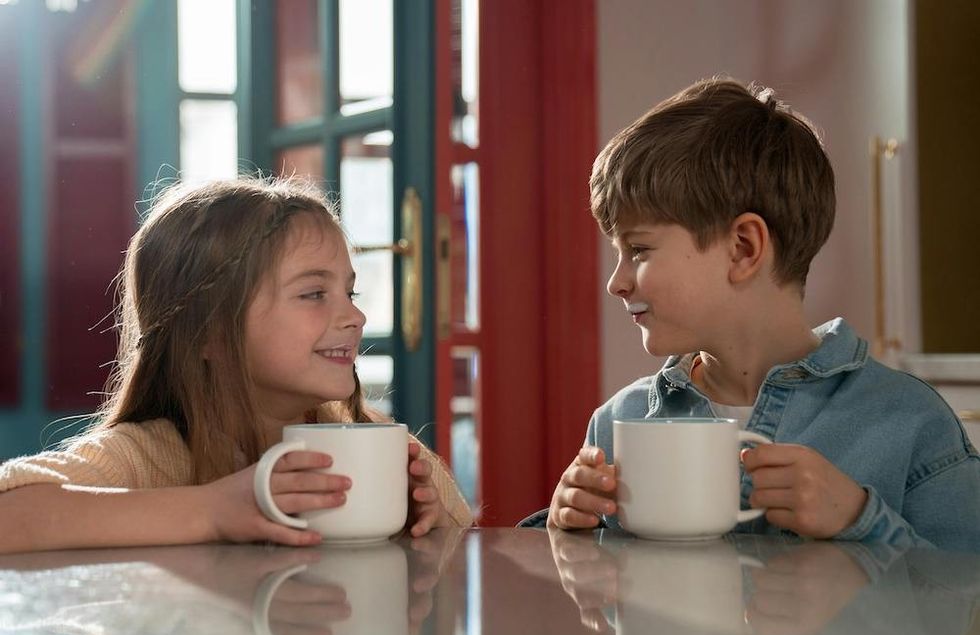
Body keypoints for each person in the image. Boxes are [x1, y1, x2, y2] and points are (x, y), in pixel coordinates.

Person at [545, 77, 980, 550]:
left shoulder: (909, 422)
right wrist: (567, 535)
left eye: (639, 250)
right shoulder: (618, 422)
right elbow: (603, 610)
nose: (617, 282)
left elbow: (966, 606)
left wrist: (862, 521)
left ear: (742, 248)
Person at [0, 176, 473, 554]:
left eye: (349, 293)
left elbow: (468, 567)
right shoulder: (146, 456)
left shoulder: (377, 446)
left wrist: (424, 527)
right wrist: (211, 511)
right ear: (208, 333)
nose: (355, 317)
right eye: (313, 294)